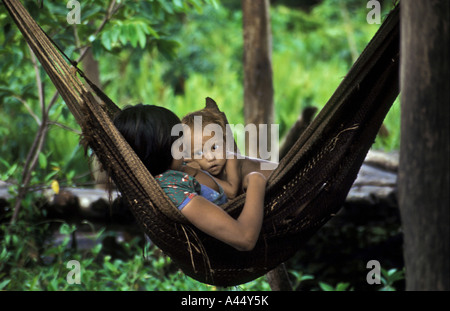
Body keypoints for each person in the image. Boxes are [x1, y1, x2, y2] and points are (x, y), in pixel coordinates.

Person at [113, 104, 267, 251]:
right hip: (229, 243)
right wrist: (256, 181)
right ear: (163, 149)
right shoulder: (172, 188)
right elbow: (245, 239)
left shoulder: (179, 170)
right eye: (179, 142)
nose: (184, 148)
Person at [181, 107, 275, 200]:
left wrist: (199, 173)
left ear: (225, 140)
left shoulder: (232, 159)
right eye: (199, 152)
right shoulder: (204, 167)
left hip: (279, 178)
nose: (210, 157)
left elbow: (231, 193)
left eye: (214, 147)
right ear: (191, 157)